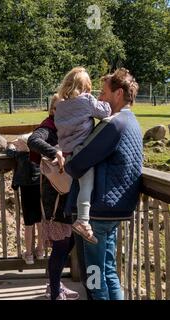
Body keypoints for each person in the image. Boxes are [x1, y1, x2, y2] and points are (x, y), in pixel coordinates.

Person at [64, 68, 143, 300]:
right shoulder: (132, 122)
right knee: (107, 271)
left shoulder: (113, 124)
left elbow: (78, 163)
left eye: (103, 93)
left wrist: (68, 161)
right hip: (116, 210)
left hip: (98, 213)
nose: (99, 98)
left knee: (94, 275)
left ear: (118, 93)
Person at [27, 95, 79, 300]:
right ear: (52, 110)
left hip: (70, 195)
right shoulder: (49, 127)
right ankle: (55, 292)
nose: (63, 112)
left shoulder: (73, 128)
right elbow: (33, 140)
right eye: (59, 108)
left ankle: (54, 284)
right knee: (61, 245)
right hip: (55, 198)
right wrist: (55, 152)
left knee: (70, 241)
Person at [54, 67, 111, 244]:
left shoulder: (60, 105)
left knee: (78, 186)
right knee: (87, 185)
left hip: (68, 154)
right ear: (86, 85)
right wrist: (106, 101)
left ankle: (79, 218)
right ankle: (83, 221)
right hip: (82, 151)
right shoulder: (86, 101)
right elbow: (105, 113)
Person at [6, 137, 44, 265]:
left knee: (28, 223)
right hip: (38, 187)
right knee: (40, 221)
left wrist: (11, 143)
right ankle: (40, 250)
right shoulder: (38, 155)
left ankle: (28, 254)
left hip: (26, 189)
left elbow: (9, 152)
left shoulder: (20, 155)